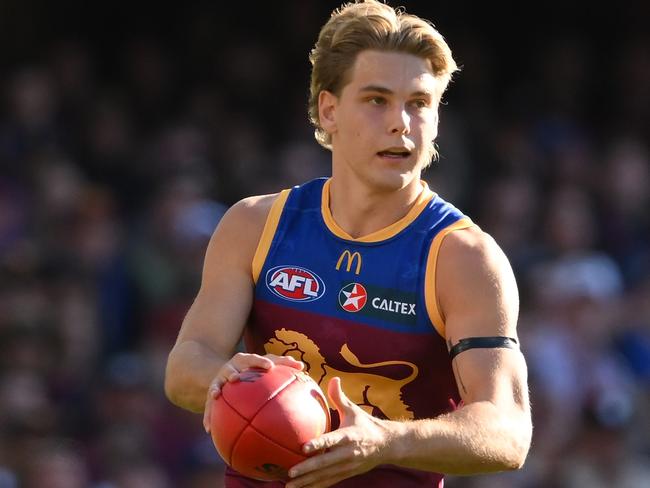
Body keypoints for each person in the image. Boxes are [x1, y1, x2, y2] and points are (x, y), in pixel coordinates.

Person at [165, 1, 532, 486]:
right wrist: (223, 379)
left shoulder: (463, 259)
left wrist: (386, 440)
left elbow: (508, 433)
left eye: (419, 103)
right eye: (377, 99)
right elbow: (184, 366)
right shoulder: (255, 226)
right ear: (328, 109)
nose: (400, 122)